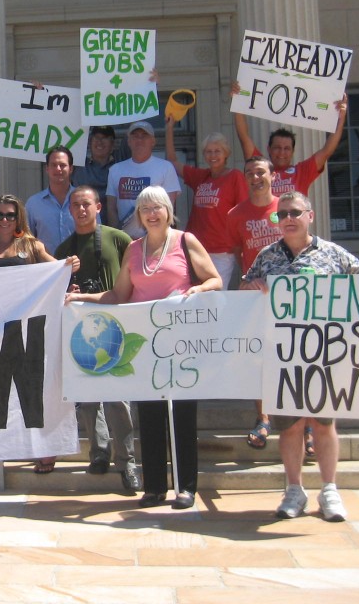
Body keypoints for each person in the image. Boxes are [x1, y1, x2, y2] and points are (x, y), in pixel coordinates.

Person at [67, 187, 221, 510]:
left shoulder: (185, 241)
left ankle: (185, 486)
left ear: (168, 210)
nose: (152, 214)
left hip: (180, 341)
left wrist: (198, 289)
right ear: (138, 215)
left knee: (180, 413)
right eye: (145, 209)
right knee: (149, 415)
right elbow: (119, 295)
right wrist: (81, 298)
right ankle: (153, 487)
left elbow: (215, 280)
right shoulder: (133, 250)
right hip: (146, 344)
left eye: (157, 208)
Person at [240, 190, 359, 522]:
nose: (288, 219)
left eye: (295, 212)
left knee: (323, 423)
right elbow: (243, 290)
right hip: (282, 354)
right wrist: (254, 286)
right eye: (282, 214)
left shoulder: (332, 253)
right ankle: (294, 489)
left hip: (324, 354)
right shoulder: (266, 255)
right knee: (289, 427)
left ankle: (329, 489)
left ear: (310, 216)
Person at [51, 185, 140, 492]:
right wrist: (69, 292)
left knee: (118, 400)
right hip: (82, 332)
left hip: (116, 326)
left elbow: (135, 277)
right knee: (88, 400)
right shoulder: (64, 249)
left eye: (86, 204)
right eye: (75, 205)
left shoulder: (119, 239)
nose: (81, 210)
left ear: (98, 207)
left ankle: (127, 462)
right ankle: (98, 453)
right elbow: (57, 294)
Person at [225, 157, 283, 450]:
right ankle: (263, 418)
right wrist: (250, 281)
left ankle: (309, 426)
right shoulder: (235, 214)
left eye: (261, 172)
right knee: (260, 358)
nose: (255, 177)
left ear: (273, 176)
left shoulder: (288, 209)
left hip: (291, 297)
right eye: (250, 173)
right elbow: (238, 251)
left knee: (296, 357)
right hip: (256, 295)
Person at [164, 121, 247, 285]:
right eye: (208, 152)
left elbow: (243, 212)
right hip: (194, 248)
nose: (213, 155)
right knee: (194, 295)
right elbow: (172, 163)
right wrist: (170, 129)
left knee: (214, 296)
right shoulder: (201, 176)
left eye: (217, 151)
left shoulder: (235, 177)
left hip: (222, 250)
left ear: (226, 153)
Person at [232, 81, 348, 197]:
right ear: (269, 149)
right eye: (277, 148)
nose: (282, 152)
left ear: (292, 151)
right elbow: (243, 136)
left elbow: (327, 151)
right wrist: (237, 102)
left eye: (286, 148)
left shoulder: (302, 172)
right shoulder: (259, 169)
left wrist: (341, 118)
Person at [106, 121, 180, 239]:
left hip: (155, 239)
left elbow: (169, 208)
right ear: (129, 142)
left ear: (153, 141)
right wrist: (117, 236)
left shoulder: (166, 168)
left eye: (144, 136)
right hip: (125, 240)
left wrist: (156, 236)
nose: (139, 140)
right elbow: (111, 207)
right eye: (135, 136)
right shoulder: (115, 170)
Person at [0, 194, 58, 268]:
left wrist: (71, 262)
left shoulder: (32, 246)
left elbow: (58, 268)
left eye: (10, 216)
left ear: (18, 218)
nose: (4, 220)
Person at [26, 146, 76, 256]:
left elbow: (96, 234)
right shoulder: (33, 204)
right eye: (54, 165)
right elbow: (26, 242)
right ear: (47, 169)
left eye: (62, 165)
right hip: (47, 269)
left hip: (81, 268)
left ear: (71, 168)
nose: (58, 169)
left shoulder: (85, 201)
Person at [72, 126, 118, 225]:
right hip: (83, 227)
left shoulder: (120, 166)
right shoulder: (78, 164)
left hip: (112, 229)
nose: (99, 141)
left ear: (113, 144)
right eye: (96, 138)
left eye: (104, 138)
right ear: (89, 142)